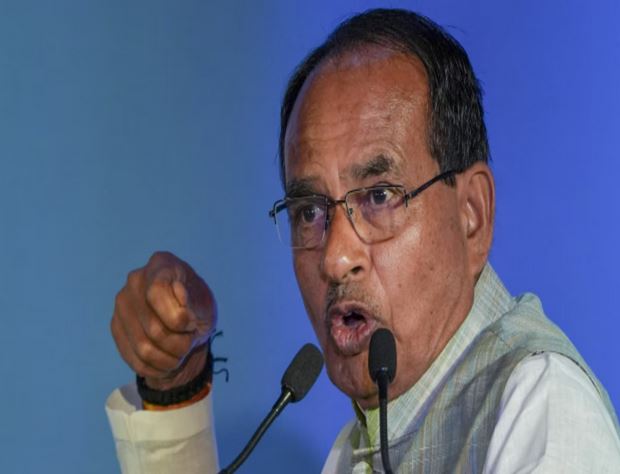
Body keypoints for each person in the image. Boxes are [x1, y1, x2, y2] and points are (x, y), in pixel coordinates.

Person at [106, 8, 620, 473]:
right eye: (310, 211)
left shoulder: (540, 406)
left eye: (378, 196)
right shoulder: (358, 447)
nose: (336, 257)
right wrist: (177, 387)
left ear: (471, 215)